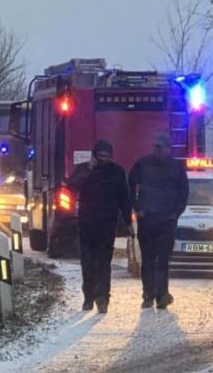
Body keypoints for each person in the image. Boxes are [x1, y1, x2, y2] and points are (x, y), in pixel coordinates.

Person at [67, 140, 132, 314]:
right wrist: (88, 170)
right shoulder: (84, 169)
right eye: (100, 156)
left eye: (107, 157)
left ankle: (102, 298)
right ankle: (88, 297)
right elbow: (71, 185)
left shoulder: (117, 172)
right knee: (87, 263)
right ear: (94, 155)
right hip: (87, 225)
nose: (104, 160)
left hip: (107, 225)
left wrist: (128, 222)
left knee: (104, 264)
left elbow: (124, 199)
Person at [128, 134, 189, 309]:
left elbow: (183, 192)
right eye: (155, 147)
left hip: (166, 221)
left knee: (162, 260)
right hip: (147, 220)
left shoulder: (176, 168)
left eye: (160, 147)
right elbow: (130, 185)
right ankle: (148, 295)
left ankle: (161, 295)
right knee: (148, 259)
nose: (157, 150)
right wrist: (137, 207)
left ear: (168, 149)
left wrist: (175, 213)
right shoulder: (142, 164)